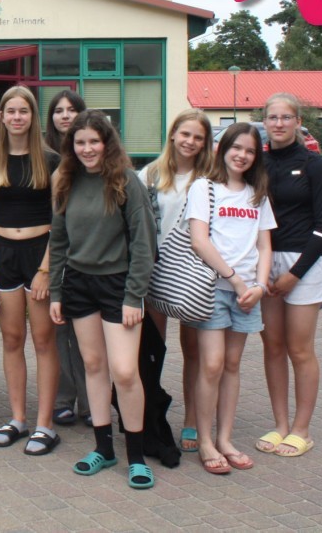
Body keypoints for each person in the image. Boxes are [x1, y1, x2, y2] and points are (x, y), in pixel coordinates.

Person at [48, 109, 157, 489]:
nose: (87, 149)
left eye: (94, 141)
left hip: (118, 285)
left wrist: (134, 295)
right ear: (71, 146)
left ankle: (136, 457)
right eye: (80, 142)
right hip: (79, 284)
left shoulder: (125, 180)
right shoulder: (65, 180)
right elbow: (58, 241)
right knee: (94, 366)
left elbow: (144, 243)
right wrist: (57, 291)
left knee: (124, 372)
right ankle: (104, 448)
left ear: (107, 143)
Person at [184, 121, 275, 474]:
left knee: (232, 365)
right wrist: (235, 281)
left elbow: (265, 245)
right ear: (223, 149)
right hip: (215, 289)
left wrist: (260, 286)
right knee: (212, 364)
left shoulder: (257, 194)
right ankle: (205, 441)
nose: (242, 155)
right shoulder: (204, 187)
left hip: (249, 294)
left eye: (250, 151)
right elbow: (199, 240)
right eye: (236, 147)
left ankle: (224, 439)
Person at [0, 86, 62, 456]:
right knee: (12, 339)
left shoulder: (51, 161)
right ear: (2, 117)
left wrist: (46, 269)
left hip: (39, 254)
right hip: (3, 256)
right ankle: (17, 419)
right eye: (10, 111)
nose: (16, 117)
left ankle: (45, 425)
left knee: (43, 341)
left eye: (23, 111)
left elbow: (60, 220)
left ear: (32, 116)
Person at [257, 93, 322, 458]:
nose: (279, 123)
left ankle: (302, 429)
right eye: (272, 117)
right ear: (264, 122)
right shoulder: (258, 163)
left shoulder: (314, 164)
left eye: (286, 117)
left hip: (303, 262)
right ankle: (280, 425)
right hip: (265, 262)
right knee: (272, 347)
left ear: (298, 121)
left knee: (299, 349)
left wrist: (294, 274)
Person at [138, 109, 213, 453]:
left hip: (194, 275)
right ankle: (151, 414)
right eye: (185, 134)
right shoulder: (150, 174)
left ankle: (192, 419)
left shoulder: (211, 177)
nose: (190, 142)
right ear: (173, 134)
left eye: (198, 137)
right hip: (155, 271)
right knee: (153, 348)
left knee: (193, 349)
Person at [44, 90, 91, 429]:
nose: (65, 115)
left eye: (71, 110)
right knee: (59, 331)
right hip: (53, 251)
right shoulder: (45, 156)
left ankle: (91, 402)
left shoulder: (91, 154)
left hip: (87, 255)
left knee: (87, 334)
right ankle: (63, 399)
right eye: (58, 110)